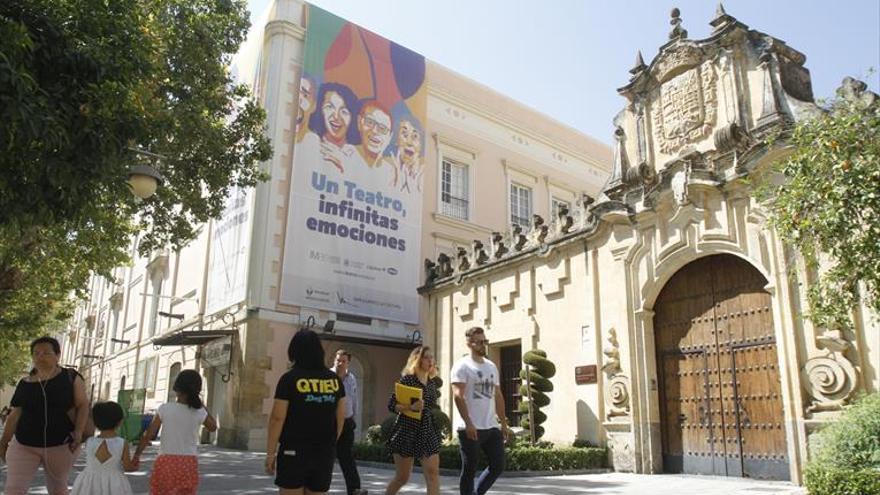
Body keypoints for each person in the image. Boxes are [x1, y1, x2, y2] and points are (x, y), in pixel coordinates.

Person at [1, 336, 89, 495]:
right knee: (13, 490)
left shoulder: (71, 377)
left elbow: (83, 405)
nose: (40, 357)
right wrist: (4, 441)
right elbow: (15, 414)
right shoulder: (24, 383)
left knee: (58, 489)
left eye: (46, 353)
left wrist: (78, 432)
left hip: (61, 444)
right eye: (36, 353)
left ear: (57, 355)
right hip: (24, 444)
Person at [266, 329, 346, 495]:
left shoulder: (289, 379)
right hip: (323, 453)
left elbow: (277, 418)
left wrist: (270, 453)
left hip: (293, 451)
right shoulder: (335, 381)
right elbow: (340, 416)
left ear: (293, 351)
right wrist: (330, 442)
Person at [133, 369, 217, 495]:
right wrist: (201, 405)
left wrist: (137, 455)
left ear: (176, 388)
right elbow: (213, 427)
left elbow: (148, 435)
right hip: (188, 463)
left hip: (166, 461)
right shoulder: (199, 412)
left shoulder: (164, 409)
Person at [451, 327, 510, 495]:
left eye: (485, 341)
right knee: (469, 470)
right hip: (470, 428)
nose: (483, 344)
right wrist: (468, 423)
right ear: (469, 343)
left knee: (498, 466)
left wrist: (503, 423)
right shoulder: (462, 366)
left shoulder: (491, 366)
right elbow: (458, 396)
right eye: (480, 342)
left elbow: (497, 395)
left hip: (491, 426)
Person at [385, 346, 442, 495]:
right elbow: (391, 405)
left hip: (426, 429)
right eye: (426, 357)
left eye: (432, 357)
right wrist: (411, 406)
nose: (431, 361)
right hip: (407, 430)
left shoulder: (431, 383)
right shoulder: (408, 380)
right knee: (402, 478)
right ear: (418, 360)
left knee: (433, 473)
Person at [70, 401, 136, 495]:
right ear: (120, 422)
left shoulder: (89, 442)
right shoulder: (122, 443)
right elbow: (127, 467)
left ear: (96, 422)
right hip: (114, 483)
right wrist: (135, 466)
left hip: (89, 482)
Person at [332, 349, 368, 495]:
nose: (340, 363)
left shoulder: (351, 378)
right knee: (326, 457)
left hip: (347, 422)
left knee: (347, 458)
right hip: (330, 423)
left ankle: (354, 489)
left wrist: (353, 417)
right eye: (338, 360)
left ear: (348, 363)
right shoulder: (328, 376)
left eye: (343, 361)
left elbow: (354, 399)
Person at [307, 82, 360, 174]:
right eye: (329, 107)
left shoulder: (358, 157)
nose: (336, 116)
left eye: (344, 111)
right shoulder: (310, 145)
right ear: (320, 110)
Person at [354, 100, 393, 168]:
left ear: (389, 138)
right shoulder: (341, 155)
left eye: (382, 128)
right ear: (359, 122)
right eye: (370, 122)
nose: (374, 131)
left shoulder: (391, 171)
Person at [296, 75, 317, 143]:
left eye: (305, 95)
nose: (299, 98)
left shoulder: (312, 141)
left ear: (314, 106)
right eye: (296, 92)